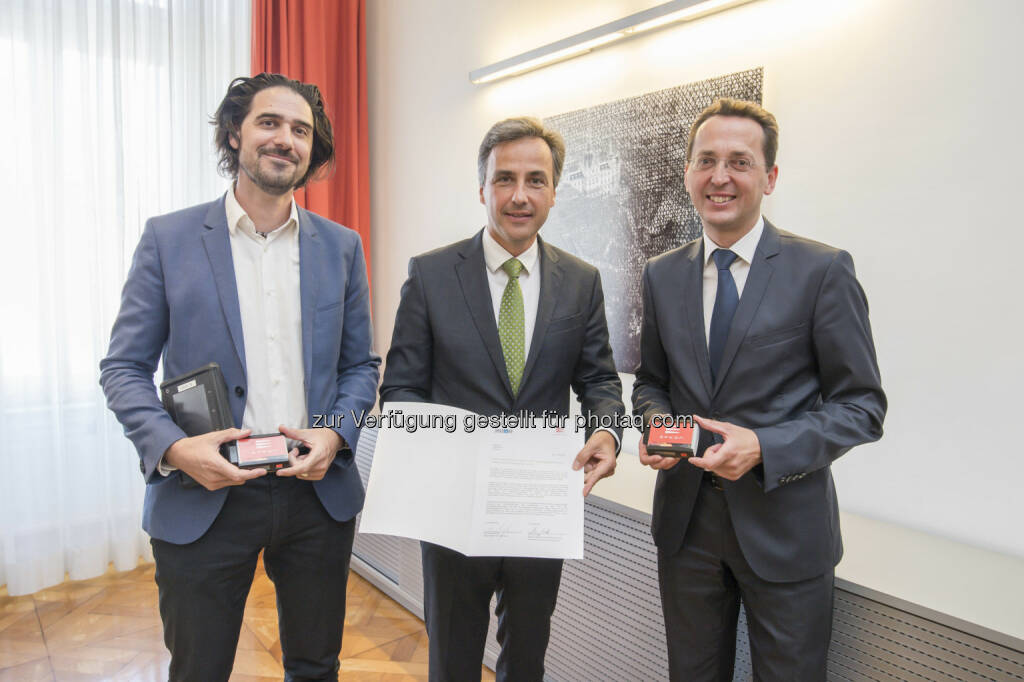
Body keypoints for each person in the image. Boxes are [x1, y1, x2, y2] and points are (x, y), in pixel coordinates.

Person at [99, 73, 380, 681]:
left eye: (301, 129)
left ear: (313, 149)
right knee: (198, 669)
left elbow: (361, 366)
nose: (286, 139)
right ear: (235, 134)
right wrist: (174, 449)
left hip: (315, 491)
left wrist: (332, 435)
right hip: (205, 491)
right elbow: (123, 367)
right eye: (269, 123)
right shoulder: (168, 239)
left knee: (316, 666)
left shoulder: (342, 247)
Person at [632, 98, 886, 681]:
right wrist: (655, 427)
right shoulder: (663, 273)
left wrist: (765, 447)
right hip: (685, 530)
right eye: (707, 160)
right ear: (689, 173)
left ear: (769, 177)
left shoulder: (822, 270)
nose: (720, 177)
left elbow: (862, 407)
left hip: (787, 533)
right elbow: (652, 382)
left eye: (740, 162)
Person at [379, 117, 625, 682]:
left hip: (539, 504)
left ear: (554, 192)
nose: (520, 195)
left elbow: (600, 382)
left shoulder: (581, 281)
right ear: (482, 188)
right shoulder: (433, 274)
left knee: (528, 657)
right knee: (453, 658)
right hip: (453, 507)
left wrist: (607, 433)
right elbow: (402, 390)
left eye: (536, 180)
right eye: (505, 179)